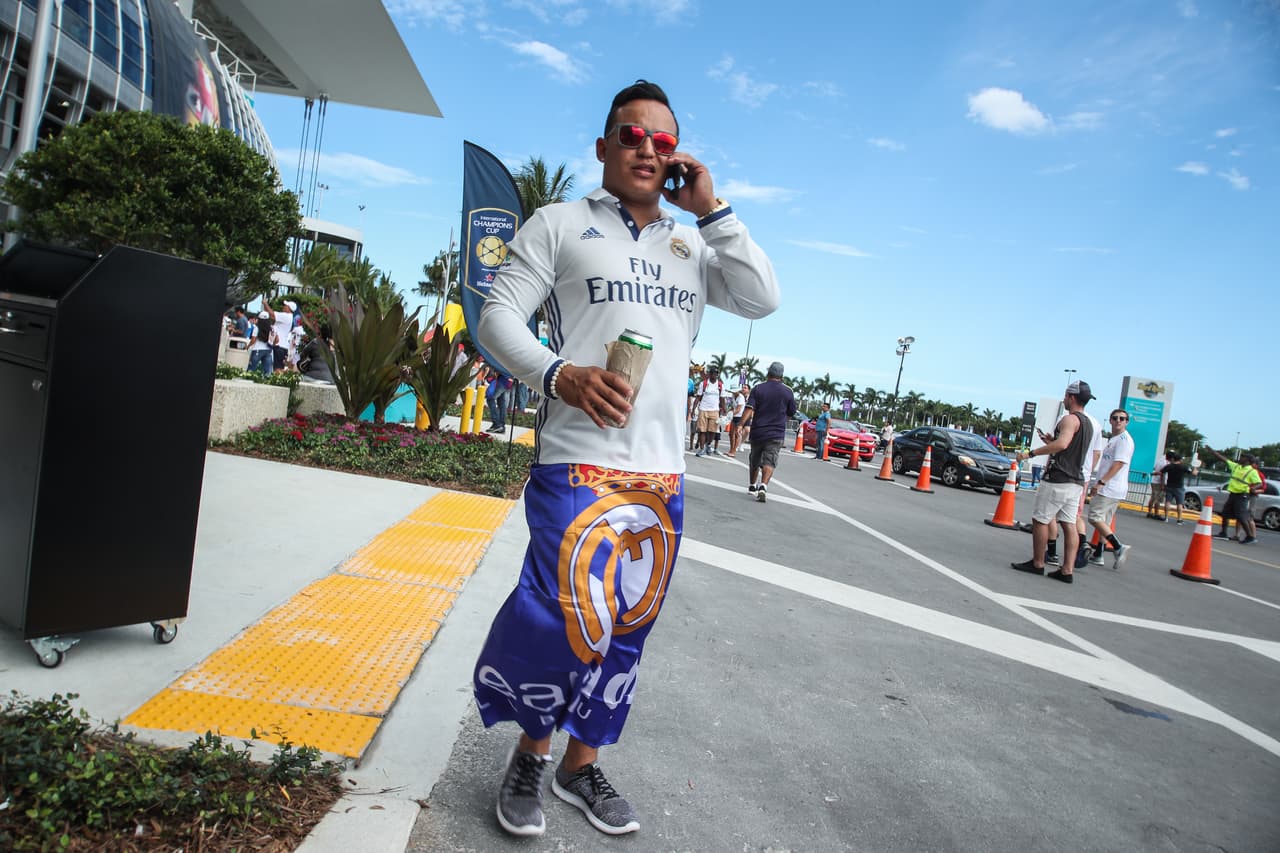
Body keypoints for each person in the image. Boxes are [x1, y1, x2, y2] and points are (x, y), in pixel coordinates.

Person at [470, 79, 779, 838]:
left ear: (677, 158)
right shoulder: (562, 223)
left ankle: (580, 765)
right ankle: (530, 757)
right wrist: (557, 374)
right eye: (632, 135)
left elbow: (762, 297)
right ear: (604, 145)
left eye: (663, 141)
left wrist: (712, 209)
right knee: (562, 617)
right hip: (576, 460)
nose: (648, 148)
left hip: (660, 473)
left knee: (624, 629)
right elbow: (495, 315)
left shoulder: (691, 244)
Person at [1010, 380, 1094, 583]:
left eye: (1066, 397)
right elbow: (1067, 446)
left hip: (1058, 479)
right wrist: (1052, 442)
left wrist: (1030, 453)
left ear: (1071, 397)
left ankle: (1038, 563)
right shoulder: (1088, 423)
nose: (1064, 400)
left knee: (1041, 520)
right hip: (1076, 481)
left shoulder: (1069, 419)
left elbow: (1063, 443)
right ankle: (1067, 570)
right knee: (1069, 524)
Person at [1085, 409, 1135, 568]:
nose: (1118, 421)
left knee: (1094, 517)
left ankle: (1118, 546)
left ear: (1127, 422)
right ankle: (1099, 553)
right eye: (1115, 418)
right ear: (1111, 420)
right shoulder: (1115, 439)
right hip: (1113, 487)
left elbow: (1119, 464)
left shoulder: (1123, 440)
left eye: (1122, 418)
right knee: (1104, 521)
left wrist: (1101, 482)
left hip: (1110, 487)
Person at [741, 362, 796, 503]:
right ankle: (763, 486)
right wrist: (780, 420)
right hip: (776, 433)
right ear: (781, 376)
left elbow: (749, 408)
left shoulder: (758, 388)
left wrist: (740, 424)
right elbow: (791, 413)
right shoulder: (788, 391)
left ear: (768, 373)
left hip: (758, 431)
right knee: (770, 460)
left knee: (755, 458)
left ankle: (752, 486)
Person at [1204, 448, 1261, 543]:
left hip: (1242, 495)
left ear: (1247, 460)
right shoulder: (1236, 467)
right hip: (1233, 494)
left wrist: (1253, 488)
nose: (1240, 458)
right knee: (1225, 513)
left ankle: (1250, 536)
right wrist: (1213, 452)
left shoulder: (1252, 471)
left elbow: (1259, 483)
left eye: (1243, 457)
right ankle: (1223, 533)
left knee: (1241, 516)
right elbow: (1224, 459)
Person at [692, 365, 727, 456]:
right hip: (703, 409)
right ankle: (702, 449)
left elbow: (722, 399)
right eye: (711, 373)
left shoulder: (720, 385)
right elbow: (698, 397)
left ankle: (708, 445)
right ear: (709, 374)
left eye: (715, 373)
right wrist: (693, 409)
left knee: (712, 431)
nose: (713, 375)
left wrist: (725, 410)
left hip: (715, 411)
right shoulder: (703, 384)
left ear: (717, 375)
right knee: (702, 431)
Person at [1160, 452, 1191, 524]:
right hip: (1179, 487)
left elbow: (1162, 472)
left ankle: (1166, 517)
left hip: (1169, 486)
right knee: (1179, 504)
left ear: (1173, 459)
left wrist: (1162, 483)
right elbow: (1193, 473)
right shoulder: (1183, 467)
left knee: (1168, 502)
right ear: (1180, 459)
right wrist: (1195, 469)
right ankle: (1179, 519)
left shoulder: (1169, 466)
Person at [246, 310, 275, 376]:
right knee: (267, 371)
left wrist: (248, 346)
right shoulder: (271, 328)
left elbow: (253, 340)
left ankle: (248, 379)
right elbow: (276, 339)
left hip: (257, 349)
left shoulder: (257, 327)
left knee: (251, 368)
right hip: (268, 350)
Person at [727, 384, 749, 457]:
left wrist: (731, 413)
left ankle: (733, 451)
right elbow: (732, 407)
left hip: (740, 417)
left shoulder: (741, 397)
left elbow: (739, 409)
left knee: (737, 434)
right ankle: (731, 449)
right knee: (731, 434)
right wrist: (728, 412)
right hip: (734, 416)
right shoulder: (733, 396)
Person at [1146, 452, 1169, 519]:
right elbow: (1163, 474)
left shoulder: (1159, 460)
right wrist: (1162, 485)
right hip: (1159, 482)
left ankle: (1149, 512)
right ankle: (1156, 513)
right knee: (1158, 499)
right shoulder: (1165, 463)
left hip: (1154, 481)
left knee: (1152, 498)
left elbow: (1154, 470)